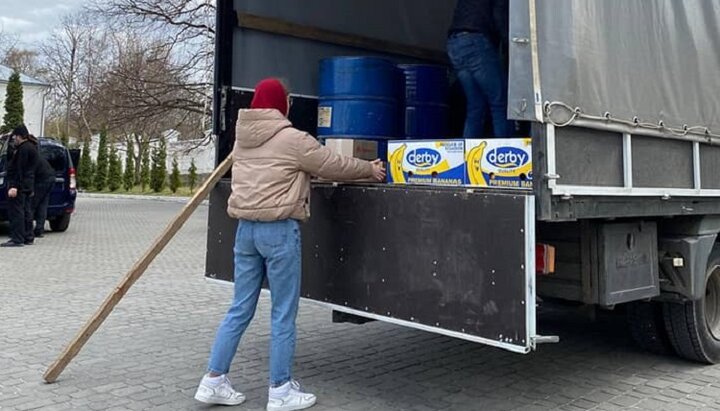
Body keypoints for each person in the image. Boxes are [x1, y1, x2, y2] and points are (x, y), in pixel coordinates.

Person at [194, 78, 386, 410]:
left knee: (240, 308)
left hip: (245, 232)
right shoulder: (292, 139)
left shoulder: (241, 141)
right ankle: (280, 389)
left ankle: (213, 380)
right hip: (278, 231)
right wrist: (369, 168)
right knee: (283, 313)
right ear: (282, 105)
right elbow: (331, 164)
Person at [447, 0, 512, 138]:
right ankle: (506, 151)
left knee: (476, 106)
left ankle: (469, 155)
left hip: (455, 43)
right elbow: (500, 17)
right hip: (476, 41)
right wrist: (511, 45)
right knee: (500, 101)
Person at [3, 125, 39, 247]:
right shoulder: (32, 147)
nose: (14, 139)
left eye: (15, 137)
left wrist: (14, 186)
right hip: (28, 184)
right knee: (26, 211)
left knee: (17, 211)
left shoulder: (23, 149)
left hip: (20, 184)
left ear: (20, 136)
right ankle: (28, 236)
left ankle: (17, 238)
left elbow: (20, 169)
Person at [28, 135, 56, 238]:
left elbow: (30, 173)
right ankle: (39, 230)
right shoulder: (38, 155)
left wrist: (30, 189)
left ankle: (28, 231)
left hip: (41, 181)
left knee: (32, 205)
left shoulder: (31, 156)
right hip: (50, 178)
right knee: (43, 205)